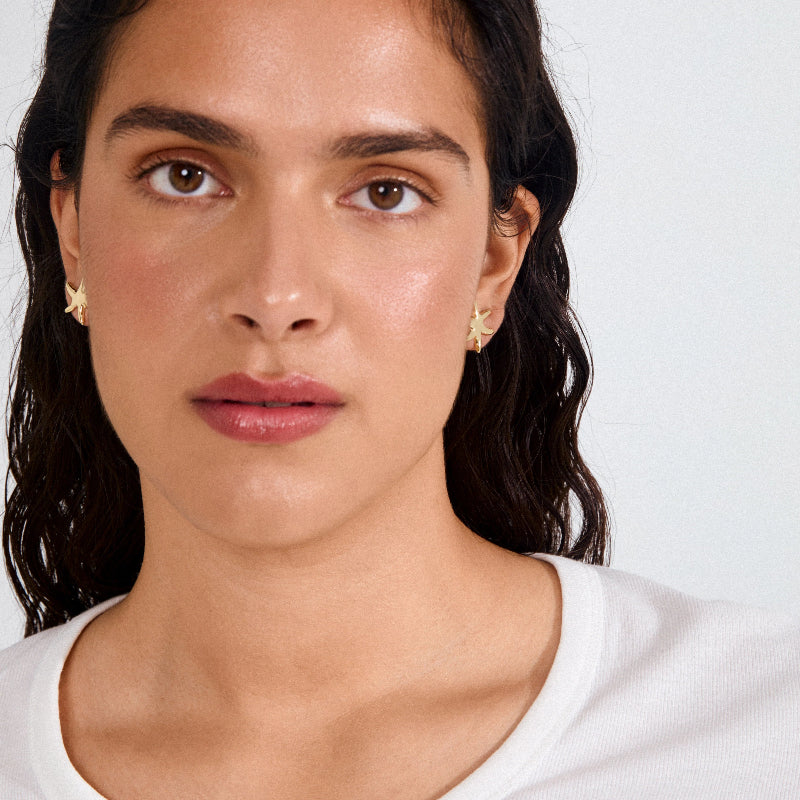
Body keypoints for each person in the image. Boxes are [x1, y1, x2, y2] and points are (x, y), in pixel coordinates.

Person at [0, 0, 797, 797]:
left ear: (494, 261)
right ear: (73, 230)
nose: (277, 297)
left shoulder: (766, 731)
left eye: (386, 192)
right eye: (186, 177)